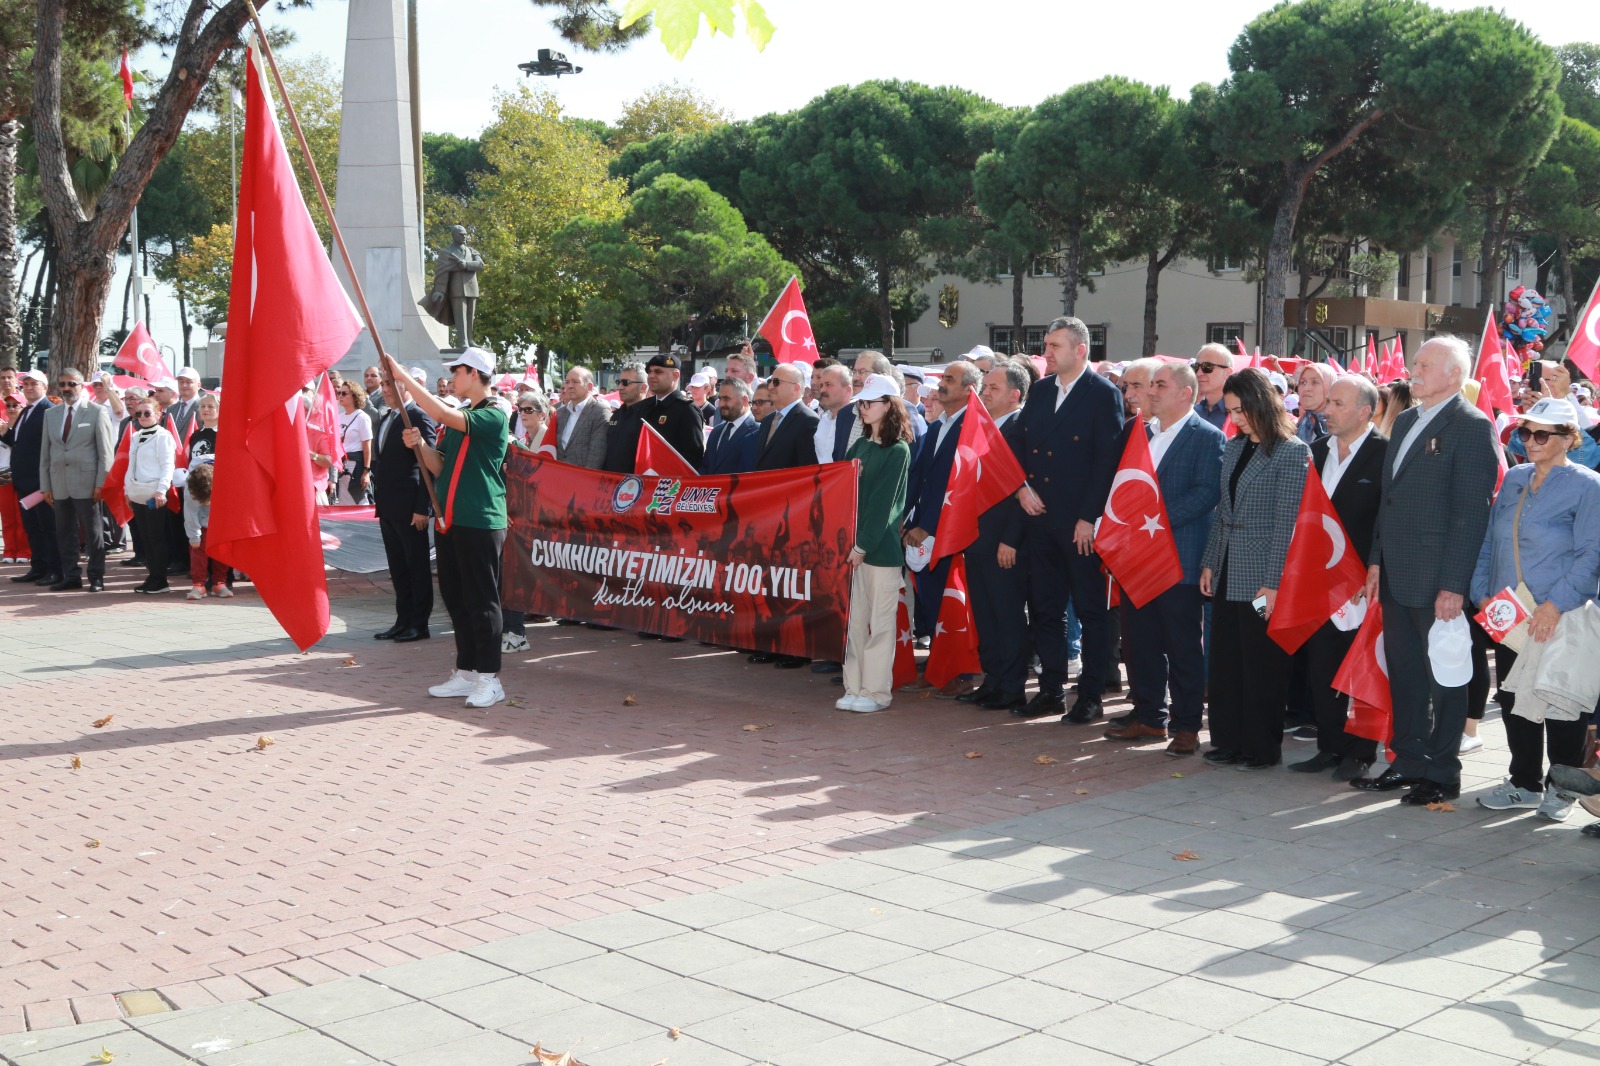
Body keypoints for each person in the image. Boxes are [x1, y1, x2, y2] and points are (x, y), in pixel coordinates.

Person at [1356, 336, 1500, 805]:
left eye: (1423, 364)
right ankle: (1408, 760)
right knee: (1407, 675)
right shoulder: (1406, 422)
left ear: (1453, 375)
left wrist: (1454, 586)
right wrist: (1375, 559)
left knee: (1447, 675)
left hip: (1438, 578)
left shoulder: (1472, 426)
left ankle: (1443, 772)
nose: (1413, 371)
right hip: (1397, 573)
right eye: (1414, 363)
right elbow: (1388, 499)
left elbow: (1470, 514)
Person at [1470, 397, 1600, 820]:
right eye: (1524, 433)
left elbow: (1590, 555)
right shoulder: (1515, 478)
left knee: (1560, 704)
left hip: (1560, 614)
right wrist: (1482, 592)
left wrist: (1555, 604)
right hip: (1511, 614)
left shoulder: (1587, 485)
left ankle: (1561, 790)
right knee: (1512, 700)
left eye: (1541, 434)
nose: (1530, 441)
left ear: (1568, 438)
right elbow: (1490, 539)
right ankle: (1523, 782)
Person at [1105, 362, 1225, 756]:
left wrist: (1152, 523)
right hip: (1137, 560)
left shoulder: (1207, 438)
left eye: (1160, 385)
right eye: (1150, 384)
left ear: (1185, 393)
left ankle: (1187, 724)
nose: (1151, 391)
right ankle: (1149, 716)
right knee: (1140, 644)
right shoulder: (1137, 432)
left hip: (1180, 560)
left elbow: (1207, 493)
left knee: (1183, 646)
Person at [1010, 317, 1124, 724]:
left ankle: (1090, 695)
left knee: (1091, 612)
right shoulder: (1040, 391)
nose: (1047, 352)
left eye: (1055, 345)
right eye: (1046, 345)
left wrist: (1089, 518)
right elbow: (1018, 444)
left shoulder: (1102, 393)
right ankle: (1051, 689)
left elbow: (1106, 461)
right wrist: (1021, 487)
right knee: (1046, 609)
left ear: (1080, 350)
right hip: (1039, 518)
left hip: (1079, 524)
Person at [385, 347, 510, 709]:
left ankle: (490, 677)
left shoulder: (494, 413)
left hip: (481, 519)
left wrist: (402, 376)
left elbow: (439, 411)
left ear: (473, 373)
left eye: (456, 372)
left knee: (483, 600)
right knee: (456, 598)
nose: (452, 378)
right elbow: (440, 466)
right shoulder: (463, 416)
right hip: (450, 519)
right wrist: (421, 447)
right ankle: (467, 670)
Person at [1199, 369, 1311, 770]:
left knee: (1262, 663)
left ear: (1261, 403)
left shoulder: (1292, 451)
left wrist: (1274, 583)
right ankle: (1227, 740)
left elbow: (1288, 524)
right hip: (1229, 565)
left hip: (1265, 575)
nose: (1236, 418)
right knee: (1227, 660)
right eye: (1230, 412)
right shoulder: (1233, 447)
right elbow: (1222, 512)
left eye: (1241, 410)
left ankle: (1261, 748)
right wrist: (1210, 562)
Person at [1289, 376, 1388, 781]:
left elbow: (1388, 518)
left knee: (1361, 667)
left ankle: (1360, 752)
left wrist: (1375, 566)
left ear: (1365, 411)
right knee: (1322, 667)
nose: (1327, 410)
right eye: (1327, 402)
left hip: (1363, 582)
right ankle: (1329, 746)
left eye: (1338, 403)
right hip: (1318, 582)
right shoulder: (1313, 452)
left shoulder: (1387, 454)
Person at [958, 360, 1032, 711]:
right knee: (985, 615)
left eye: (993, 389)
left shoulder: (1020, 430)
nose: (984, 393)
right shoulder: (982, 427)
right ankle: (993, 680)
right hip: (976, 537)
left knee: (1007, 615)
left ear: (1015, 395)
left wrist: (1011, 540)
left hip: (1003, 542)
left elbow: (1023, 491)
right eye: (984, 387)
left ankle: (1012, 685)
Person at [902, 362, 980, 690]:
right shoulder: (935, 427)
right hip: (922, 533)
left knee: (955, 604)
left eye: (950, 379)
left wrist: (931, 527)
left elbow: (962, 487)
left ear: (968, 390)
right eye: (943, 378)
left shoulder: (973, 428)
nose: (941, 384)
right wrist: (907, 522)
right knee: (932, 600)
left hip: (952, 535)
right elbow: (918, 478)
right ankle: (939, 664)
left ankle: (961, 671)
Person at [838, 374, 913, 713]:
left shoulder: (898, 450)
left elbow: (885, 506)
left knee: (880, 625)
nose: (864, 408)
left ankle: (876, 692)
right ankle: (853, 686)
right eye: (862, 403)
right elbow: (843, 493)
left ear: (889, 405)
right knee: (855, 622)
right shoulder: (859, 446)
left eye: (871, 402)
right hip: (855, 548)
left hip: (879, 552)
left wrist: (861, 545)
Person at [371, 370, 438, 643]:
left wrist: (423, 508)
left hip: (411, 508)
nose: (385, 389)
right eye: (383, 384)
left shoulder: (419, 416)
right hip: (388, 506)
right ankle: (403, 620)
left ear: (406, 386)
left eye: (391, 384)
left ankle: (419, 623)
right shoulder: (388, 416)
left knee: (416, 567)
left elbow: (429, 467)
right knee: (398, 567)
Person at [39, 368, 115, 592]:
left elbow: (105, 453)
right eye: (62, 384)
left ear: (82, 386)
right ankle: (70, 575)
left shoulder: (96, 412)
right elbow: (45, 453)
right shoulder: (50, 414)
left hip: (88, 484)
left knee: (93, 534)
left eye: (71, 384)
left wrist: (101, 483)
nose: (66, 389)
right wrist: (45, 486)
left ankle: (96, 577)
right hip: (59, 483)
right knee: (64, 534)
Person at [500, 391, 554, 653]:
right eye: (520, 409)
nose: (522, 413)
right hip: (519, 516)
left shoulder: (546, 441)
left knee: (516, 574)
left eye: (529, 409)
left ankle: (516, 631)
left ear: (543, 414)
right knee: (512, 573)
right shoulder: (523, 440)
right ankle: (513, 630)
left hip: (535, 518)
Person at [3, 370, 60, 585]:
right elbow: (17, 442)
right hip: (24, 482)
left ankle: (55, 570)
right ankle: (39, 567)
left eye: (33, 383)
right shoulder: (26, 411)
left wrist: (49, 482)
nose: (28, 387)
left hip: (41, 483)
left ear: (44, 387)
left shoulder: (50, 410)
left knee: (49, 528)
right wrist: (6, 430)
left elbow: (55, 447)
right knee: (33, 528)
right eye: (25, 383)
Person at [124, 399, 177, 594]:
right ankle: (152, 575)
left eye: (147, 413)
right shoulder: (136, 436)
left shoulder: (164, 436)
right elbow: (131, 465)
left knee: (157, 537)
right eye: (139, 414)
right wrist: (126, 490)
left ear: (158, 414)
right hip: (137, 492)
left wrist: (162, 490)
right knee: (145, 537)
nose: (143, 417)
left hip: (154, 493)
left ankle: (160, 579)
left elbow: (167, 465)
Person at [637, 353, 707, 469]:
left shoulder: (687, 409)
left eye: (658, 372)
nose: (651, 375)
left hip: (671, 483)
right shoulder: (644, 406)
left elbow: (693, 458)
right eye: (649, 372)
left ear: (676, 375)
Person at [752, 364, 820, 473]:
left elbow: (807, 470)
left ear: (796, 388)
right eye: (770, 382)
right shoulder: (767, 421)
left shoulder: (808, 421)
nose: (770, 387)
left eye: (776, 382)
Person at [181, 461, 231, 599]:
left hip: (221, 521)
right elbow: (190, 514)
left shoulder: (227, 480)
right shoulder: (191, 486)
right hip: (201, 521)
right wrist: (194, 536)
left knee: (222, 550)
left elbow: (230, 508)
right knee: (197, 549)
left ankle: (219, 583)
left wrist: (227, 529)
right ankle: (198, 585)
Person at [555, 367, 611, 469]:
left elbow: (596, 456)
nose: (570, 386)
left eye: (575, 382)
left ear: (589, 387)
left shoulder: (600, 411)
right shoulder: (560, 413)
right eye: (567, 382)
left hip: (584, 480)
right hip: (559, 477)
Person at [600, 362, 650, 474]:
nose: (619, 387)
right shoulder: (616, 415)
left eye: (625, 383)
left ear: (643, 387)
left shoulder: (651, 417)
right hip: (610, 483)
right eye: (619, 382)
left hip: (637, 485)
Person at [704, 379, 760, 475]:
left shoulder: (758, 430)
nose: (721, 404)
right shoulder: (716, 432)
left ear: (744, 400)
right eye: (720, 398)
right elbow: (706, 467)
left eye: (726, 399)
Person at [0, 392, 31, 566]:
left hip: (22, 477)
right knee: (7, 517)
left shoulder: (24, 428)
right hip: (4, 478)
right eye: (9, 405)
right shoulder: (1, 426)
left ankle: (24, 551)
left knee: (22, 516)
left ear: (22, 407)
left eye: (15, 405)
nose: (11, 409)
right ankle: (9, 550)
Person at [335, 380, 374, 505]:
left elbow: (367, 447)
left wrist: (366, 471)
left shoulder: (362, 417)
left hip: (357, 465)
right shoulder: (339, 417)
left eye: (344, 393)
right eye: (339, 393)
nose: (340, 396)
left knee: (361, 501)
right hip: (342, 465)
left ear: (354, 396)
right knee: (344, 502)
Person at [812, 365, 858, 464]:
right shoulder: (823, 421)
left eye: (828, 385)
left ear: (848, 390)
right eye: (821, 385)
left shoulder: (858, 421)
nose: (822, 390)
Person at [1190, 344, 1233, 430]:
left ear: (1227, 373)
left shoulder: (1239, 413)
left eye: (1207, 367)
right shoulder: (1192, 411)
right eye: (1196, 367)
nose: (1199, 373)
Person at [1295, 363, 1335, 444]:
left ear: (1329, 386)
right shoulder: (1294, 425)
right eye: (1303, 382)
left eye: (1315, 382)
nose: (1306, 388)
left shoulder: (1339, 430)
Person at [168, 368, 203, 442]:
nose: (184, 385)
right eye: (181, 382)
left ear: (199, 385)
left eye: (188, 382)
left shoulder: (204, 408)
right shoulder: (171, 409)